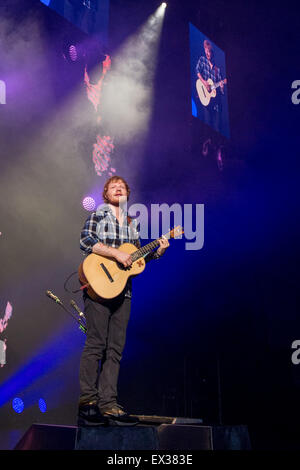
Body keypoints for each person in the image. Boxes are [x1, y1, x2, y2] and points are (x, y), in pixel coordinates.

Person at [78, 176, 169, 425]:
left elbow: (135, 262)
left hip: (123, 292)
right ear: (106, 193)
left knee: (115, 350)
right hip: (98, 286)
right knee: (96, 344)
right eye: (112, 186)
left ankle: (108, 404)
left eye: (122, 186)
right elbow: (85, 241)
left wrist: (157, 253)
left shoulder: (133, 223)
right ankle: (88, 403)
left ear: (127, 193)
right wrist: (115, 252)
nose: (118, 188)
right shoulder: (99, 215)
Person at [196, 39, 224, 133]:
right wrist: (204, 83)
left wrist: (221, 87)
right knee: (207, 125)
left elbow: (221, 90)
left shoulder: (217, 70)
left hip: (215, 103)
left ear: (212, 53)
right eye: (206, 51)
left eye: (209, 52)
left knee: (217, 127)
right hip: (206, 101)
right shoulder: (202, 60)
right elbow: (197, 71)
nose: (207, 53)